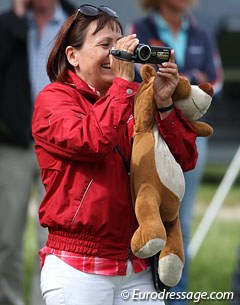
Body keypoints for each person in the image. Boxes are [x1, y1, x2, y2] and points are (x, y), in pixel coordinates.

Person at [31, 4, 198, 305]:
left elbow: (184, 160)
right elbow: (92, 141)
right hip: (78, 267)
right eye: (105, 45)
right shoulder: (53, 100)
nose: (116, 54)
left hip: (137, 265)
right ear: (73, 56)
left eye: (120, 44)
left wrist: (164, 105)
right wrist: (123, 85)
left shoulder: (135, 97)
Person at [125, 0, 223, 304]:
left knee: (180, 219)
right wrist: (180, 82)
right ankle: (142, 289)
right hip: (148, 130)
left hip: (188, 133)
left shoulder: (201, 34)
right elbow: (134, 71)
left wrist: (181, 85)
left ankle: (176, 296)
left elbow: (214, 80)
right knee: (145, 211)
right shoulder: (140, 29)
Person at [0, 1, 75, 305]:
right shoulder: (8, 25)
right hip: (14, 144)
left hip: (61, 145)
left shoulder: (74, 22)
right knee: (6, 238)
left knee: (53, 240)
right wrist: (17, 21)